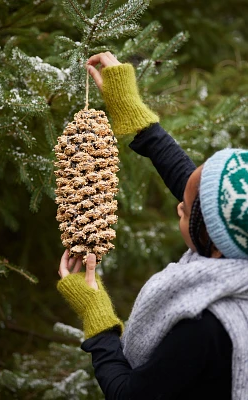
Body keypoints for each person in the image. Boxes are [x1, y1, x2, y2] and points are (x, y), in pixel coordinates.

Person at [57, 52, 248, 400]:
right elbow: (198, 192)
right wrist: (136, 117)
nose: (179, 204)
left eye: (185, 210)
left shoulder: (205, 326)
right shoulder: (236, 243)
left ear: (214, 240)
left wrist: (98, 320)